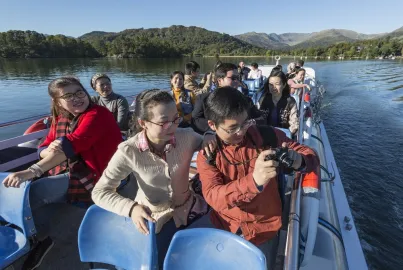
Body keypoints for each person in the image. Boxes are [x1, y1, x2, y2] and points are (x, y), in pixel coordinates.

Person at [189, 86, 320, 269]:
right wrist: (254, 181)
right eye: (232, 128)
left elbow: (309, 154)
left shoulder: (267, 136)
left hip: (265, 230)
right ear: (212, 125)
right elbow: (213, 197)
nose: (241, 132)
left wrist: (298, 160)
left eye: (244, 123)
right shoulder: (208, 155)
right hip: (226, 229)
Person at [2, 76, 122, 270]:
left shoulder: (98, 114)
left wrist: (31, 171)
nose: (76, 98)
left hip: (96, 173)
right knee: (26, 193)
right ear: (58, 102)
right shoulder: (62, 117)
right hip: (70, 167)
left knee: (36, 191)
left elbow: (72, 145)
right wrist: (47, 151)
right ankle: (31, 234)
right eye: (68, 95)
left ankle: (36, 241)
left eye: (79, 92)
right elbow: (46, 144)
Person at [92, 89, 216, 267]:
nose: (173, 127)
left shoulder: (186, 137)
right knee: (155, 262)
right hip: (153, 217)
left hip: (190, 208)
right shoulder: (128, 151)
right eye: (164, 122)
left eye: (176, 119)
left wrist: (209, 136)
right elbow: (100, 192)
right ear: (143, 123)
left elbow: (205, 138)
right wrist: (131, 208)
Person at [191, 63, 261, 134]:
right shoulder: (204, 99)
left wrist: (249, 123)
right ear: (219, 81)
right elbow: (195, 120)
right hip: (212, 139)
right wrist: (218, 129)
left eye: (238, 78)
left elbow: (261, 118)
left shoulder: (246, 100)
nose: (237, 81)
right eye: (233, 78)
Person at [254, 70, 299, 137]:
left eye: (277, 84)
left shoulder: (290, 102)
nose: (273, 87)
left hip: (284, 136)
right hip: (265, 135)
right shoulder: (263, 99)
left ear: (284, 85)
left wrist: (285, 135)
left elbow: (294, 124)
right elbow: (258, 118)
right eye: (271, 84)